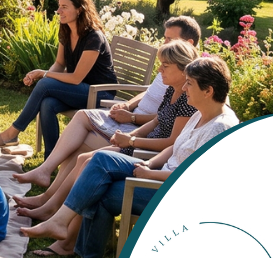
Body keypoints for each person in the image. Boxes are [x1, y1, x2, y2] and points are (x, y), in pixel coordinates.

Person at [23, 56, 238, 258]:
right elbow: (175, 147)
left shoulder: (219, 128)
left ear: (208, 91)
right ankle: (60, 224)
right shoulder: (200, 113)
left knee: (102, 191)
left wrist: (151, 174)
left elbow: (193, 179)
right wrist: (150, 164)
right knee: (101, 159)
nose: (184, 88)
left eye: (190, 84)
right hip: (159, 174)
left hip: (174, 194)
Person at [13, 39, 199, 228]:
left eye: (165, 66)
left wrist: (132, 140)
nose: (160, 70)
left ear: (183, 69)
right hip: (141, 142)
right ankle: (50, 203)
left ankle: (54, 211)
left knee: (87, 160)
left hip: (149, 153)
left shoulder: (187, 101)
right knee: (81, 155)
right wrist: (130, 136)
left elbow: (172, 142)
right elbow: (155, 121)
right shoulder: (172, 90)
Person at [0, 0, 116, 157]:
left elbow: (76, 78)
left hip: (100, 94)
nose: (59, 11)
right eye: (59, 6)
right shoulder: (66, 30)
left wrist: (43, 75)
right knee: (48, 104)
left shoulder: (94, 37)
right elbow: (59, 64)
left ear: (79, 10)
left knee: (45, 83)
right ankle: (50, 158)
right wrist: (43, 77)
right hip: (80, 90)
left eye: (64, 7)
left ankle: (12, 133)